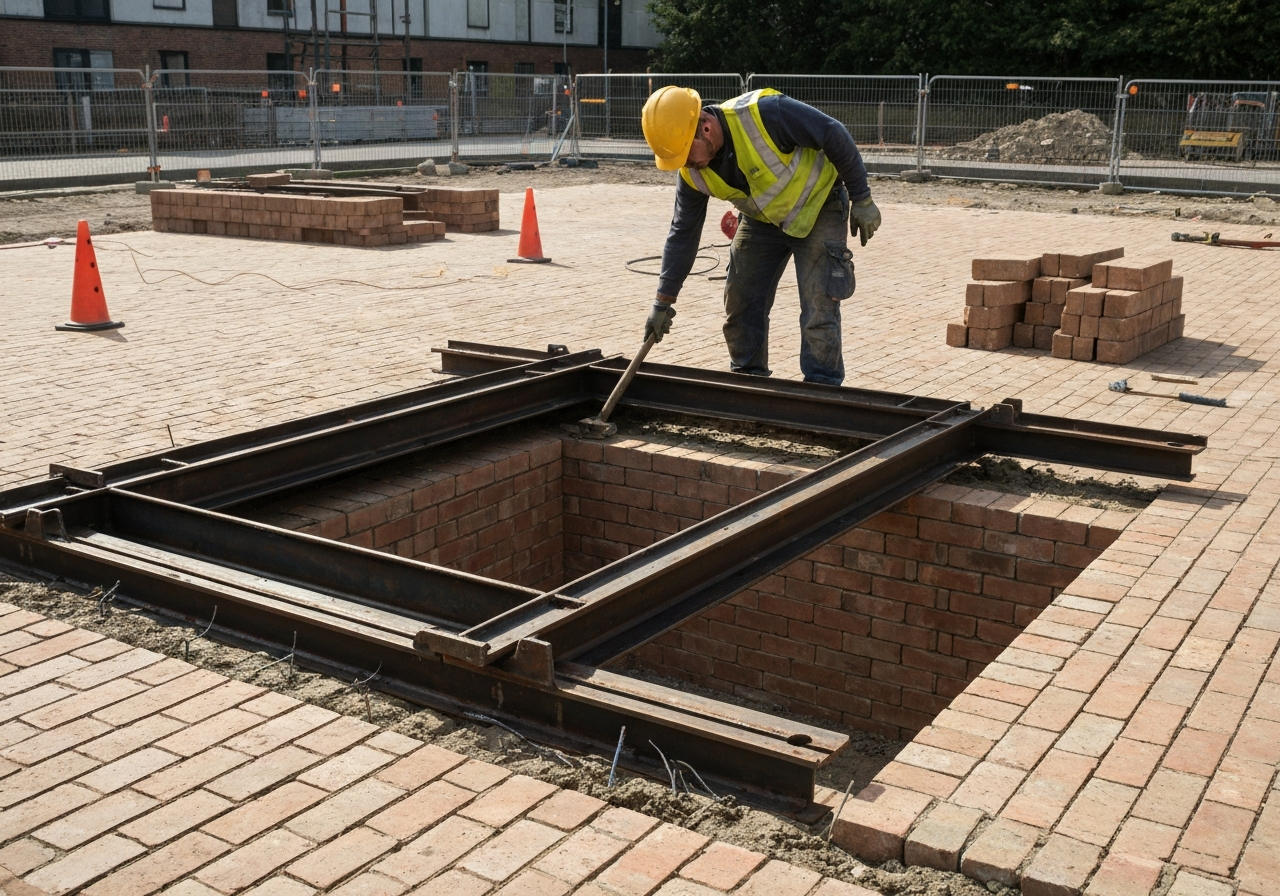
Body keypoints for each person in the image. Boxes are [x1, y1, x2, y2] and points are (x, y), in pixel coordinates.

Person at [639, 86, 881, 385]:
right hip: (760, 220)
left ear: (705, 127)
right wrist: (663, 300)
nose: (684, 165)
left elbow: (831, 132)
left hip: (820, 206)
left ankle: (822, 390)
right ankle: (748, 384)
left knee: (819, 308)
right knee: (741, 302)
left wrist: (862, 197)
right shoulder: (691, 171)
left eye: (685, 155)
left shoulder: (765, 113)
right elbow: (683, 234)